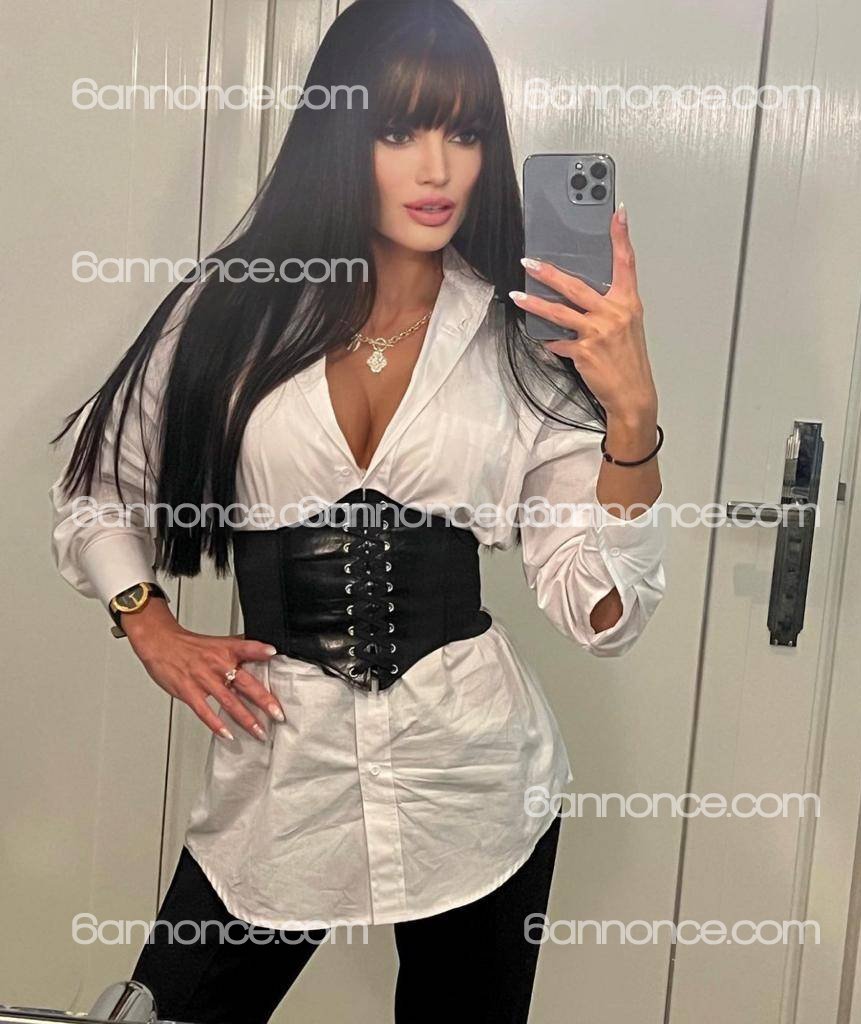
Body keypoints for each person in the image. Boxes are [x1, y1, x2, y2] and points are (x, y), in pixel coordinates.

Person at [48, 1, 666, 1021]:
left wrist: (631, 419)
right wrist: (146, 622)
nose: (437, 168)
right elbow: (95, 490)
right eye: (398, 130)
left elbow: (605, 612)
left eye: (465, 132)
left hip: (475, 784)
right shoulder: (232, 310)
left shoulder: (520, 344)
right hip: (281, 774)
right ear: (341, 136)